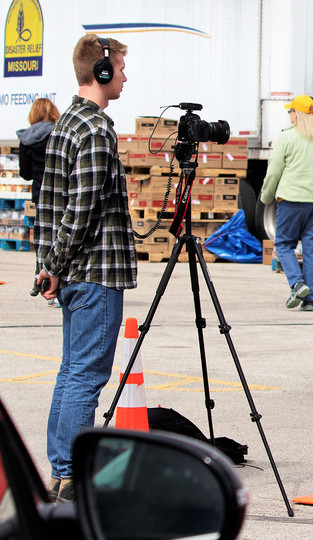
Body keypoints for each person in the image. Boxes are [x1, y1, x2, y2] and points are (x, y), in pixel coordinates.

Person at [35, 34, 135, 502]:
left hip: (74, 272)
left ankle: (60, 470)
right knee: (86, 375)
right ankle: (73, 474)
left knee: (71, 370)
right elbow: (80, 209)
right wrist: (55, 263)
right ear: (101, 72)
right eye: (119, 67)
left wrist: (49, 267)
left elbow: (48, 207)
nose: (124, 76)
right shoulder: (95, 129)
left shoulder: (65, 123)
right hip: (96, 272)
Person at [260, 94, 313, 311]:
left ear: (296, 114)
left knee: (284, 245)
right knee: (312, 250)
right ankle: (309, 300)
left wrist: (266, 196)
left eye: (290, 111)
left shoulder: (287, 138)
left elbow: (273, 172)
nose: (289, 115)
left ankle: (297, 284)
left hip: (292, 201)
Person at [17, 98, 61, 307]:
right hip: (59, 192)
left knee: (44, 238)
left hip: (39, 194)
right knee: (62, 237)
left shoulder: (26, 139)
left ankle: (43, 283)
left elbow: (25, 174)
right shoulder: (58, 133)